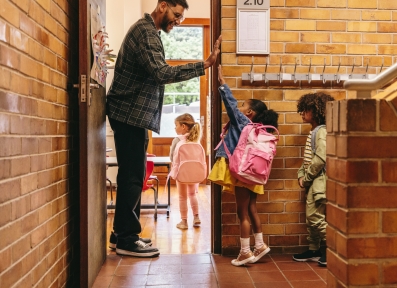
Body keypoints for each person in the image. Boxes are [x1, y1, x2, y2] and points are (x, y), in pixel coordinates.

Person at [106, 0, 222, 257]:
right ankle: (126, 238)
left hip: (133, 115)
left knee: (132, 174)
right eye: (176, 15)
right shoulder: (146, 32)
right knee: (133, 176)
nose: (177, 21)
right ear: (162, 6)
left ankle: (120, 234)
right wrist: (203, 65)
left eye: (180, 18)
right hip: (129, 114)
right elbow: (161, 73)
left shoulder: (150, 32)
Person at [208, 65, 279, 266]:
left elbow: (230, 104)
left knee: (242, 213)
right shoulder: (261, 130)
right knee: (252, 209)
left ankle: (245, 252)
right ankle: (260, 245)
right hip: (255, 173)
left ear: (249, 112)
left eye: (243, 107)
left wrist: (222, 83)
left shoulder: (244, 122)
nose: (238, 109)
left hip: (243, 172)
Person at [292, 92, 334, 267]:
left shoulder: (322, 131)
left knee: (314, 216)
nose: (302, 113)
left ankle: (334, 249)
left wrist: (307, 177)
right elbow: (308, 160)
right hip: (312, 179)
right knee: (311, 218)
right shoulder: (315, 131)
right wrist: (301, 174)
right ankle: (315, 249)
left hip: (318, 180)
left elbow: (321, 158)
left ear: (317, 111)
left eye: (306, 110)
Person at [169, 113, 202, 229]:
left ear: (183, 126)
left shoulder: (177, 140)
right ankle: (196, 217)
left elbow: (171, 157)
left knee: (182, 197)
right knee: (192, 194)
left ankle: (184, 222)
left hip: (181, 173)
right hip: (194, 172)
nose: (175, 128)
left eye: (176, 125)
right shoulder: (196, 139)